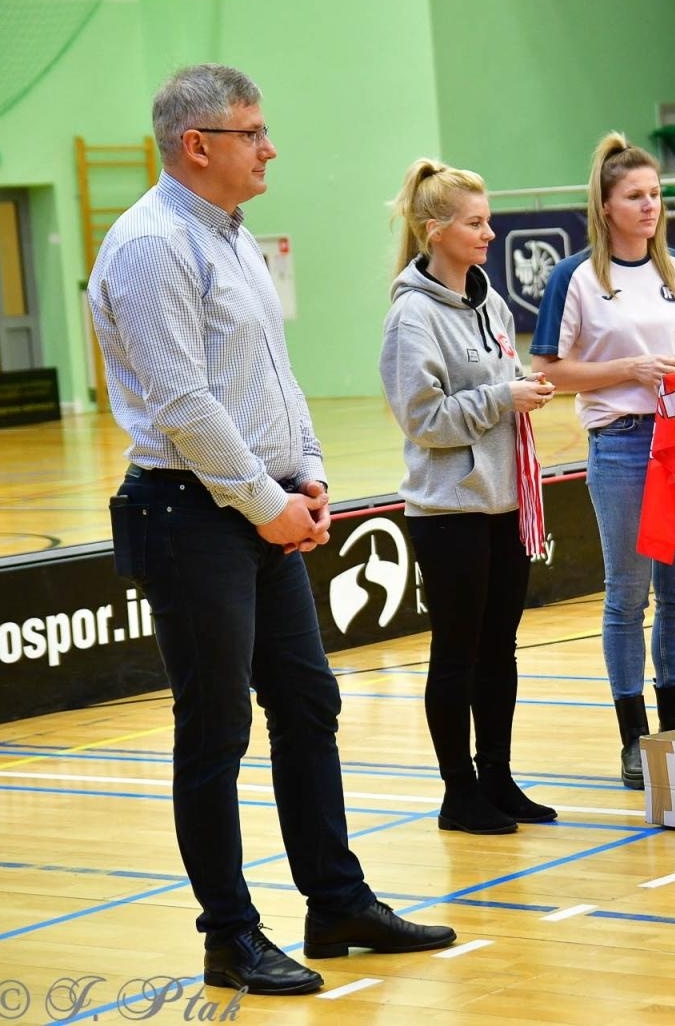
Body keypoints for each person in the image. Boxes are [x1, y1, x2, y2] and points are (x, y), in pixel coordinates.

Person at [88, 64, 455, 996]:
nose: (270, 146)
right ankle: (230, 937)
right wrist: (268, 501)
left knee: (307, 706)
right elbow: (184, 405)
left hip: (259, 507)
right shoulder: (149, 246)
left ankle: (335, 903)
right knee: (213, 733)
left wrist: (313, 470)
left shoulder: (236, 238)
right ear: (197, 145)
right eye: (252, 132)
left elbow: (271, 378)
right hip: (188, 515)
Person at [531, 135, 675, 788]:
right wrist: (629, 370)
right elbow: (550, 371)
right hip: (620, 445)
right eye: (636, 196)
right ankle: (632, 739)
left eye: (656, 194)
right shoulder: (578, 279)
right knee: (628, 592)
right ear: (607, 206)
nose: (650, 206)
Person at [380, 159, 559, 835]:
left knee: (499, 649)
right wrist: (499, 398)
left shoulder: (489, 300)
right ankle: (459, 793)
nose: (490, 234)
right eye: (476, 223)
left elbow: (497, 383)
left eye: (488, 221)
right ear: (436, 231)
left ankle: (499, 778)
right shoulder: (412, 317)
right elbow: (423, 420)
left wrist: (522, 390)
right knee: (456, 652)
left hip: (504, 502)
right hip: (449, 511)